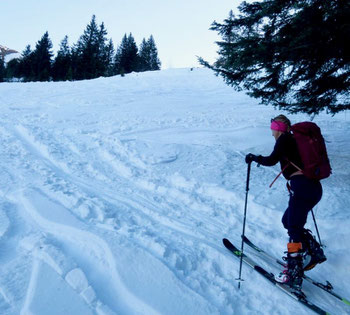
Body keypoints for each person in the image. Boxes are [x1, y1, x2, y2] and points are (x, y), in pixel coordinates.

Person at [245, 114, 326, 289]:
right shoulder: (294, 140)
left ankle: (293, 271)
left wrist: (254, 158)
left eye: (272, 127)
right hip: (313, 188)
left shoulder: (284, 139)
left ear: (278, 128)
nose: (271, 130)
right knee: (287, 221)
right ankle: (313, 250)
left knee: (294, 226)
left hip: (302, 187)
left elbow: (271, 160)